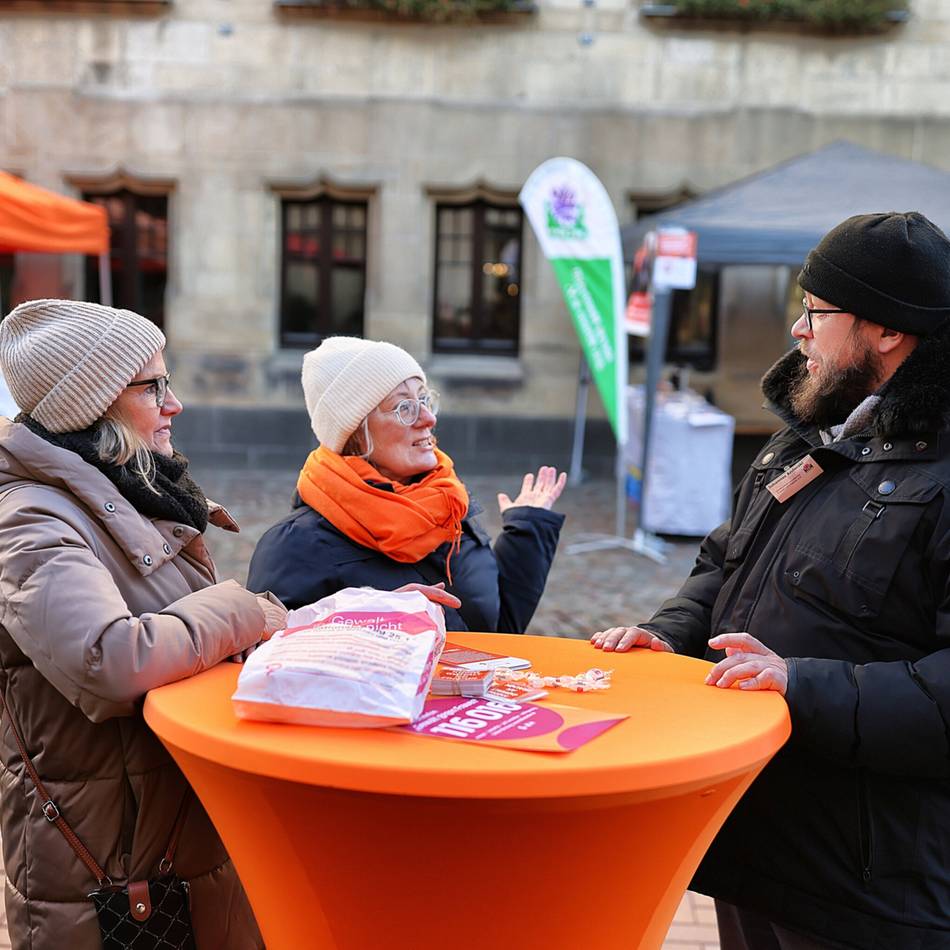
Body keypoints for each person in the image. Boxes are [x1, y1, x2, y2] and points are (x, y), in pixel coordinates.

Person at [591, 212, 950, 949]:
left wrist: (798, 683)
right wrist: (669, 634)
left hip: (868, 884)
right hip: (755, 839)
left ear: (886, 331)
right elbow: (724, 565)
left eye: (817, 312)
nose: (798, 329)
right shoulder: (806, 435)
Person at [0, 299, 289, 949]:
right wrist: (243, 609)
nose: (174, 402)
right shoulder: (28, 517)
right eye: (152, 385)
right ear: (93, 405)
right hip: (107, 869)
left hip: (166, 841)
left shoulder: (129, 488)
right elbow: (110, 658)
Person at [248, 336, 566, 632]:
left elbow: (498, 631)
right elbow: (270, 661)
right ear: (355, 433)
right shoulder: (294, 546)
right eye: (404, 407)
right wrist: (373, 620)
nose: (428, 418)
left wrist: (527, 532)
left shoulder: (447, 507)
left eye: (424, 400)